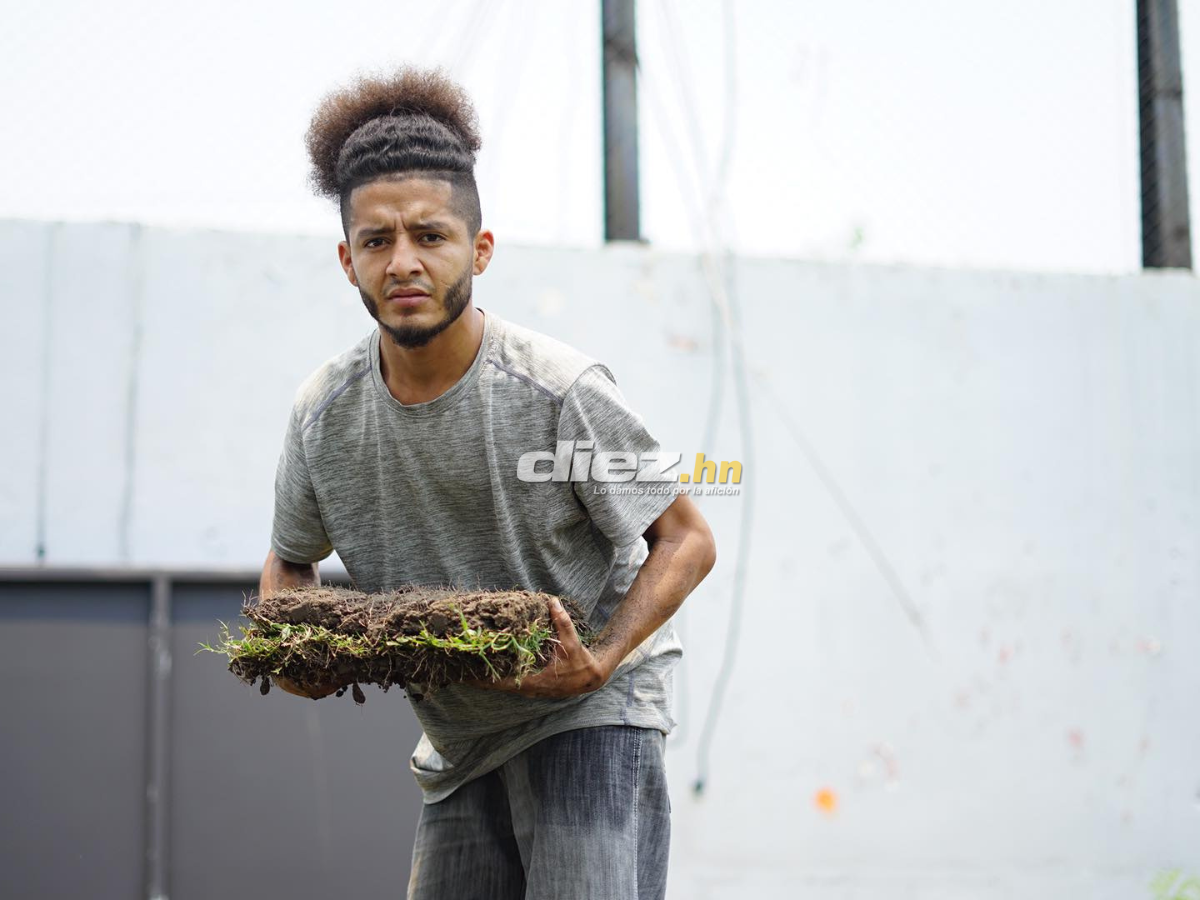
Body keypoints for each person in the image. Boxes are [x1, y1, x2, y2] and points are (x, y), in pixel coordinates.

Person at [258, 65, 717, 900]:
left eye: (429, 236)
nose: (402, 262)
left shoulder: (558, 391)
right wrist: (294, 644)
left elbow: (686, 536)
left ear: (480, 248)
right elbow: (288, 564)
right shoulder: (323, 413)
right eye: (376, 241)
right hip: (459, 739)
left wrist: (603, 659)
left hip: (591, 710)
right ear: (346, 259)